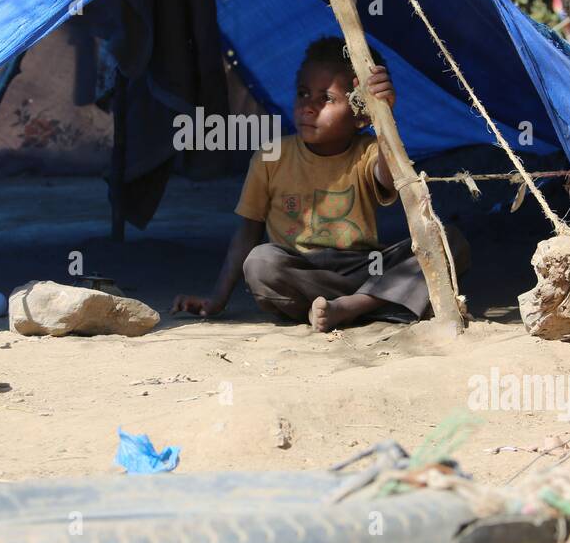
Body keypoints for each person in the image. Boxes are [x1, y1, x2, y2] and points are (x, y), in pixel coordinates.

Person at [172, 37, 466, 332]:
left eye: (325, 98)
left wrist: (384, 113)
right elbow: (247, 233)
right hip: (301, 271)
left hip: (363, 268)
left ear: (361, 116)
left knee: (446, 239)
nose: (308, 108)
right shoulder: (271, 156)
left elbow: (390, 177)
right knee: (260, 262)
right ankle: (376, 304)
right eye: (303, 94)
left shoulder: (369, 151)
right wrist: (217, 300)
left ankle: (352, 307)